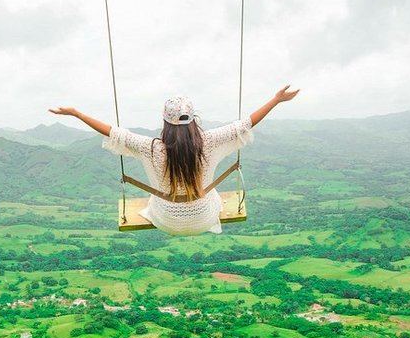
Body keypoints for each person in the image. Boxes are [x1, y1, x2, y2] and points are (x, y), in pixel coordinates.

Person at [49, 85, 299, 235]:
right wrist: (276, 100)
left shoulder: (151, 148)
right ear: (193, 119)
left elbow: (113, 132)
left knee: (156, 198)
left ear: (164, 122)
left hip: (166, 221)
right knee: (210, 194)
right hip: (204, 218)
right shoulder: (209, 142)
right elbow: (245, 124)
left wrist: (76, 113)